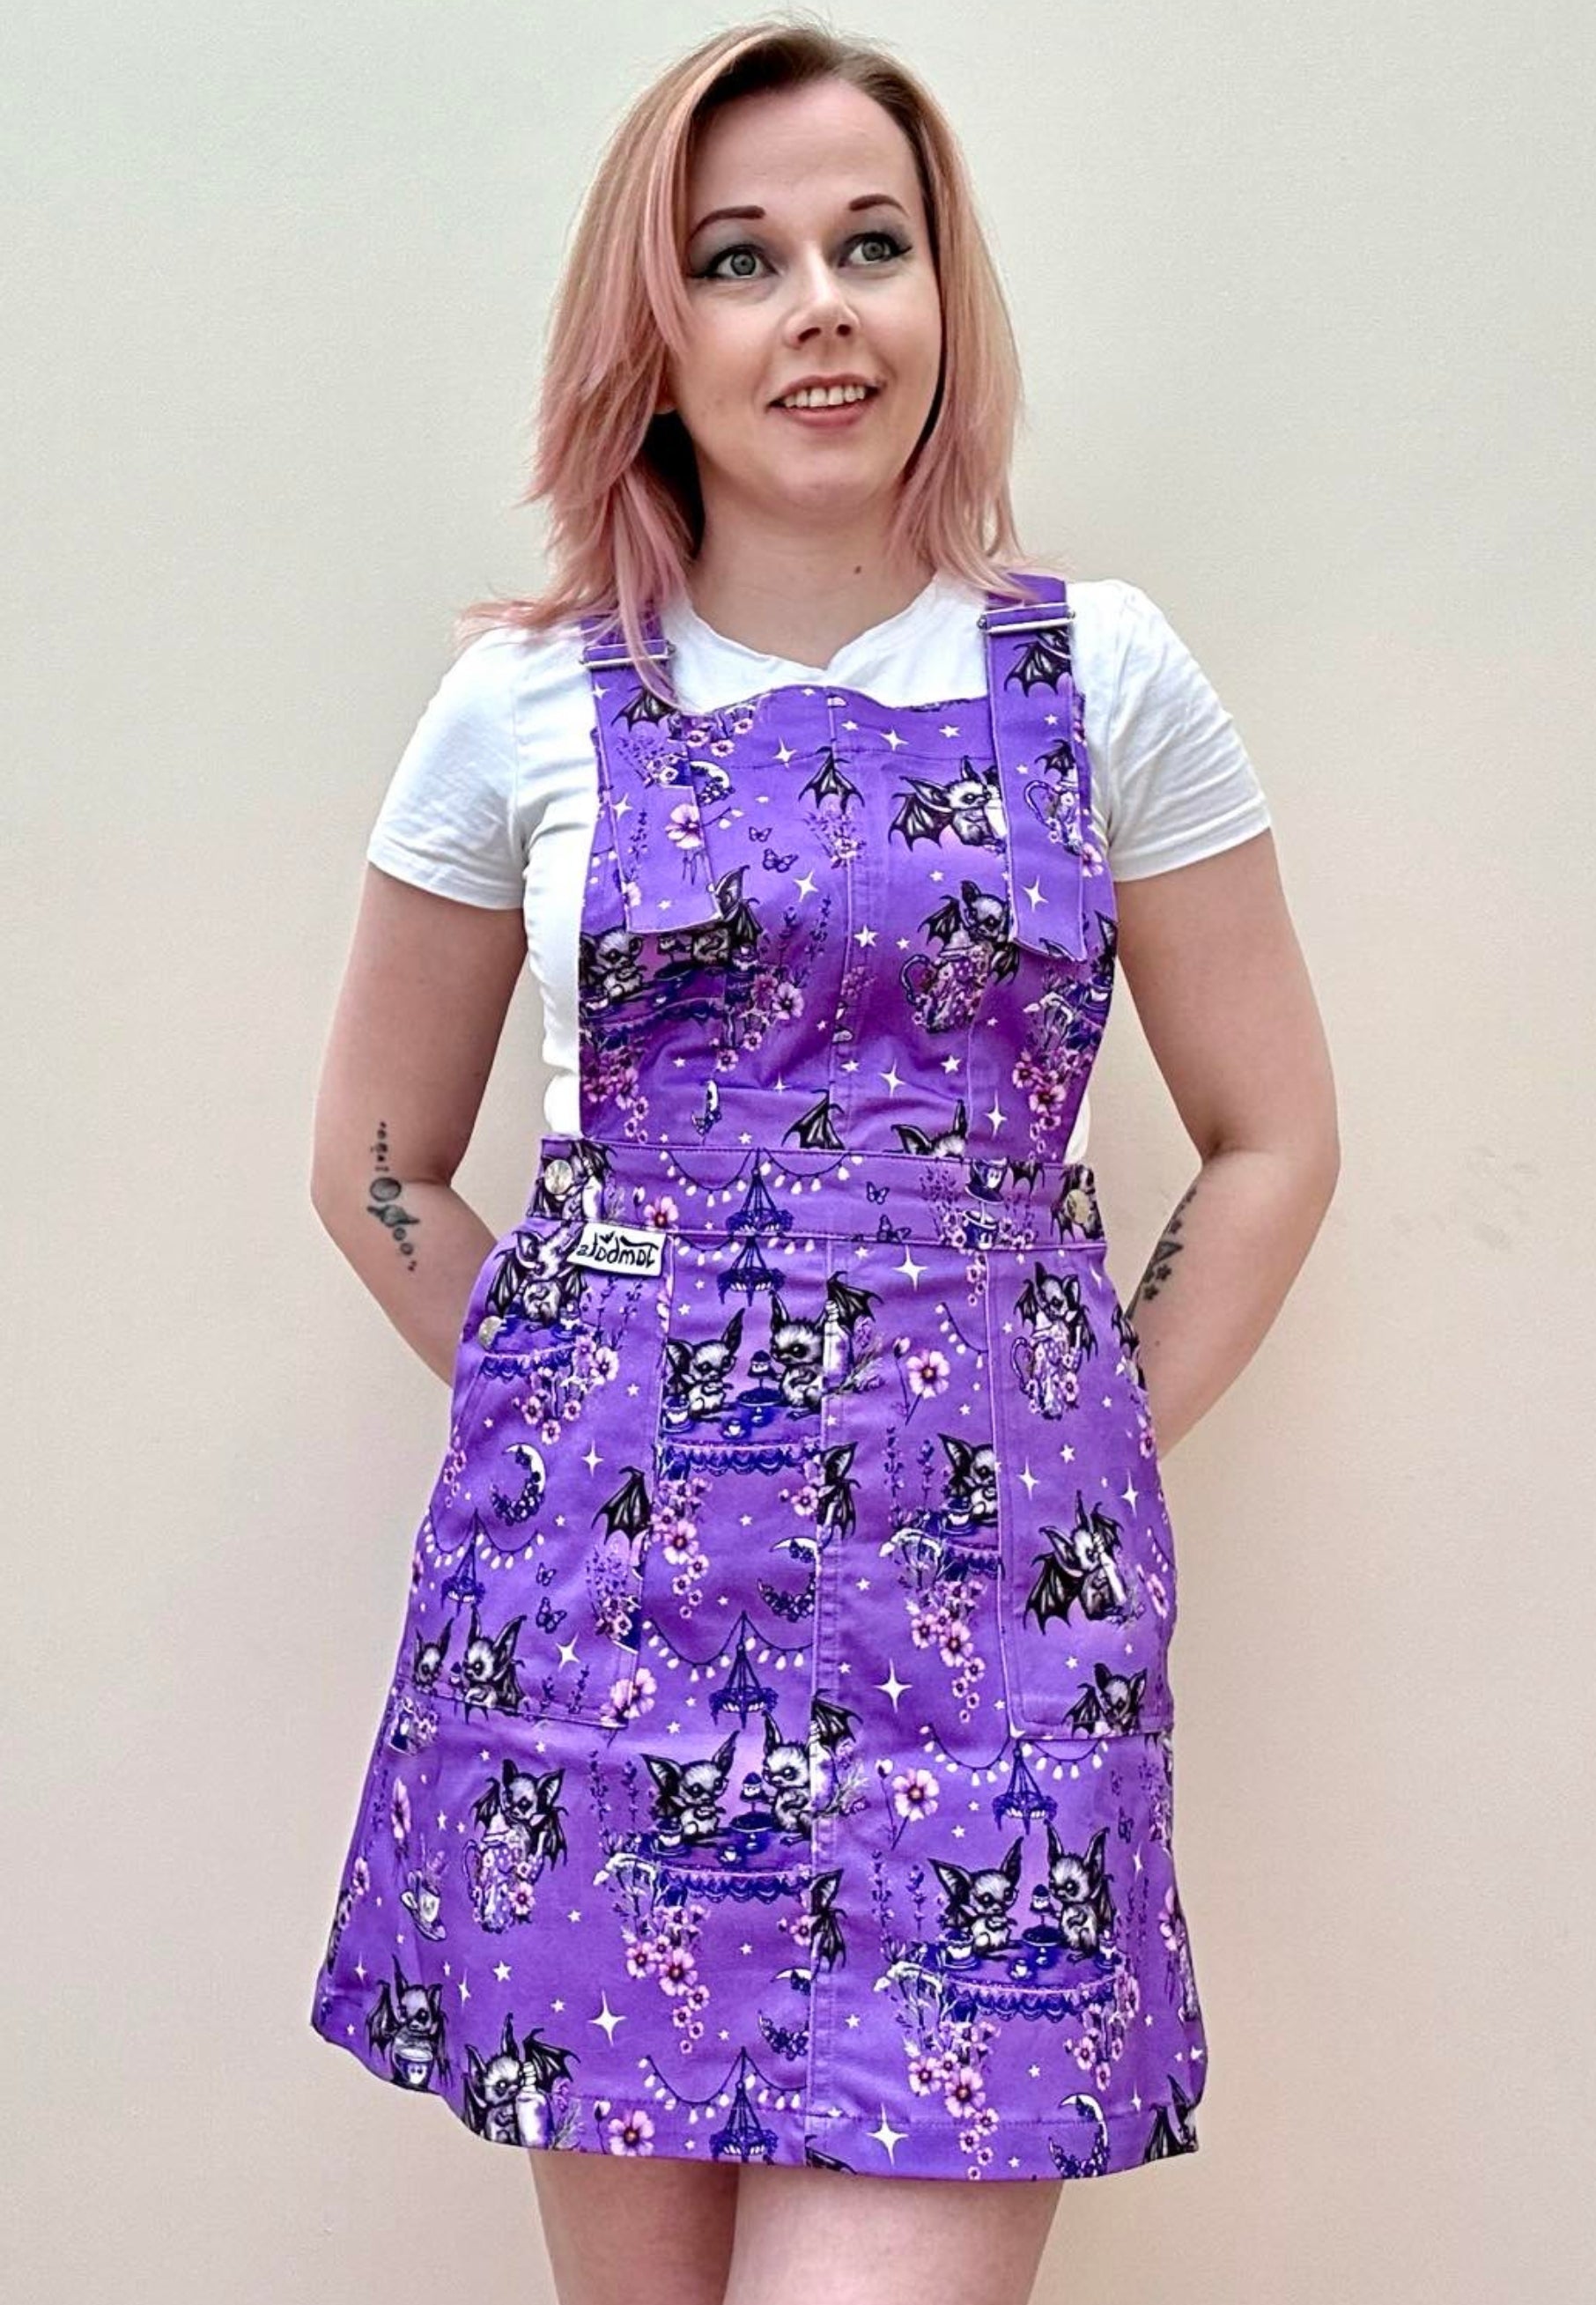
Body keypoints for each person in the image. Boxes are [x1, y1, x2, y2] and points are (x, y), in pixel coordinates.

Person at [307, 18, 1340, 2305]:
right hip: (609, 1659)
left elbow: (1273, 1137)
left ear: (945, 291)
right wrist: (588, 1418)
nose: (820, 309)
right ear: (653, 329)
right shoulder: (525, 705)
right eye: (739, 258)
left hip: (988, 1672)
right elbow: (375, 1159)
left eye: (873, 244)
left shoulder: (1103, 679)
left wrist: (1069, 1434)